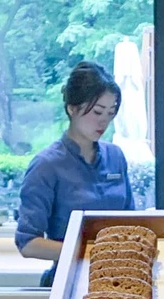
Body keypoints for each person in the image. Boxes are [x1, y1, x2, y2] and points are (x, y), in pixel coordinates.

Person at [15, 62, 133, 283]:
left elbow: (132, 223)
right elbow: (28, 243)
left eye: (110, 112)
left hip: (119, 279)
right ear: (72, 108)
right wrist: (91, 254)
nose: (104, 121)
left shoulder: (115, 156)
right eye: (97, 111)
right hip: (67, 281)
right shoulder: (46, 165)